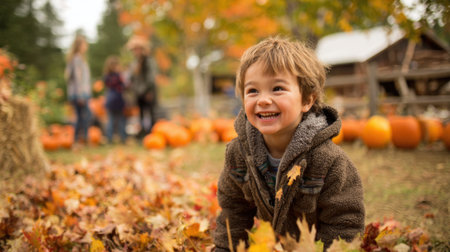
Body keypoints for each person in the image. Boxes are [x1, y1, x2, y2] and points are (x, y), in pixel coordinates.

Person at [213, 37, 365, 251]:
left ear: (307, 101)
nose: (263, 100)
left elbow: (344, 221)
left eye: (277, 89)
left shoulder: (329, 161)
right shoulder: (239, 153)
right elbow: (233, 210)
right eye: (253, 91)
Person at [126, 36, 159, 137]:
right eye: (134, 49)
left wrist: (148, 91)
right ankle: (143, 134)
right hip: (138, 93)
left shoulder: (149, 61)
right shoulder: (134, 63)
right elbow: (131, 77)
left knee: (151, 113)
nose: (136, 51)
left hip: (148, 92)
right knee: (140, 115)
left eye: (138, 49)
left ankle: (153, 134)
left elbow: (151, 78)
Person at [65, 34, 91, 144]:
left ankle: (80, 139)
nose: (86, 46)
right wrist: (80, 94)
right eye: (85, 44)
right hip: (80, 93)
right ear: (80, 46)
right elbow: (78, 78)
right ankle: (80, 139)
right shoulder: (77, 59)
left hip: (80, 93)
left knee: (81, 116)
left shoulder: (77, 59)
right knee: (84, 116)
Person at [103, 56, 127, 144]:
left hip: (112, 101)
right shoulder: (118, 76)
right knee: (118, 120)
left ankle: (111, 138)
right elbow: (124, 85)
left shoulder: (107, 77)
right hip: (117, 100)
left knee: (113, 120)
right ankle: (121, 137)